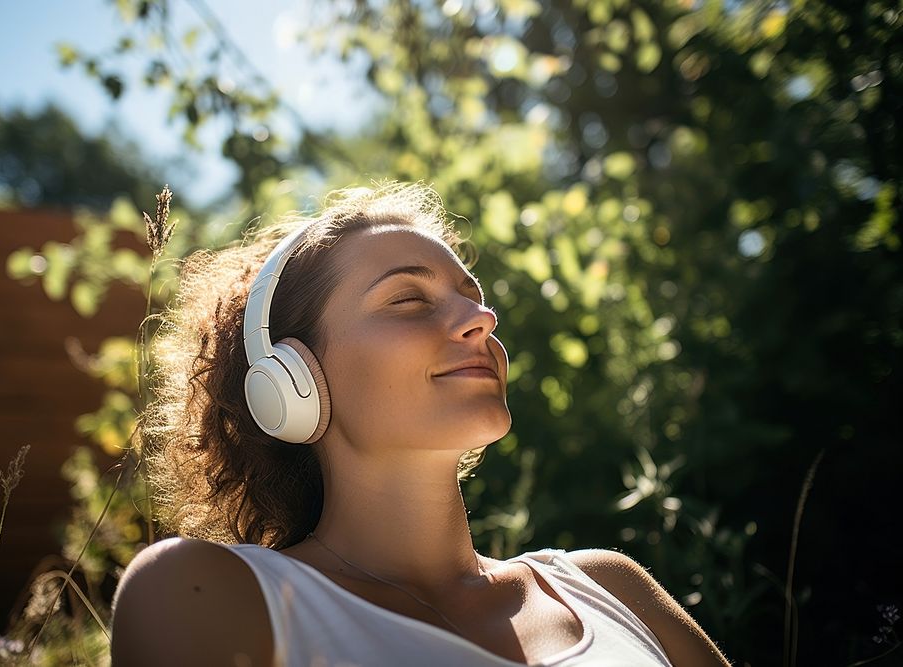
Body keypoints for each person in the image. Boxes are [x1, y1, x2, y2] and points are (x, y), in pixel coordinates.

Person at [110, 182, 731, 666]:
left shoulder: (611, 588)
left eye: (473, 297)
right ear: (291, 378)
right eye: (408, 301)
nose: (480, 318)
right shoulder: (209, 594)